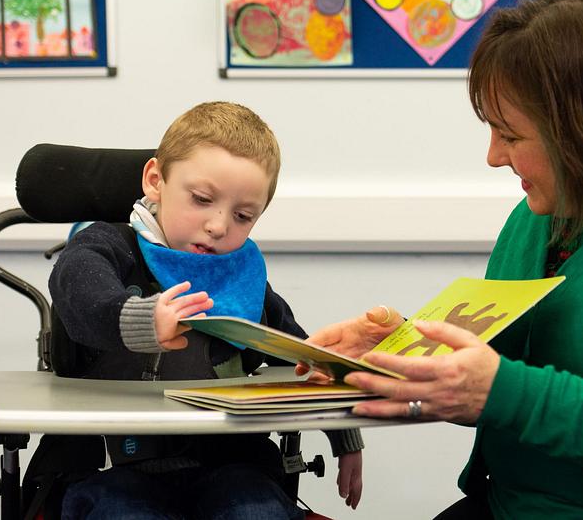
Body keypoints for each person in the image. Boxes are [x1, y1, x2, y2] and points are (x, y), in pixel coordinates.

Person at [298, 0, 583, 518]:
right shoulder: (542, 215)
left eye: (510, 134)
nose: (493, 156)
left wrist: (505, 393)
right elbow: (496, 372)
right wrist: (399, 348)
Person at [49, 101, 363, 519]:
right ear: (155, 180)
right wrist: (142, 319)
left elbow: (304, 358)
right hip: (113, 465)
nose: (218, 226)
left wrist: (344, 433)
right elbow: (76, 292)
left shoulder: (242, 279)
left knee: (256, 510)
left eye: (242, 215)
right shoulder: (107, 246)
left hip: (231, 462)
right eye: (201, 199)